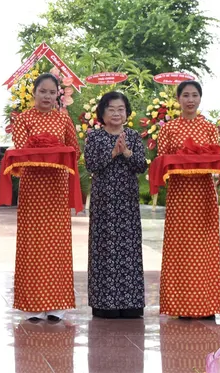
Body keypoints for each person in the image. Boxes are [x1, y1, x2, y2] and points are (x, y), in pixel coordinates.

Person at [9, 72, 80, 321]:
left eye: (52, 92)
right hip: (32, 188)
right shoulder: (23, 119)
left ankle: (57, 303)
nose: (47, 96)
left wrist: (57, 156)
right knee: (33, 244)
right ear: (34, 93)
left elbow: (74, 149)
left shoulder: (63, 118)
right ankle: (33, 304)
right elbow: (20, 149)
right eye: (43, 91)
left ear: (58, 94)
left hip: (56, 189)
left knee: (56, 244)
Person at [157, 80, 220, 319]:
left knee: (204, 247)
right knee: (180, 247)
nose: (190, 100)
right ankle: (181, 305)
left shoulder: (208, 127)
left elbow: (216, 157)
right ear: (178, 99)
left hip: (203, 193)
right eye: (185, 95)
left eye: (195, 95)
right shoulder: (168, 128)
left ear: (200, 98)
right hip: (179, 195)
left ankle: (206, 304)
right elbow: (161, 159)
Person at [83, 91, 146, 319]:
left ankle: (131, 304)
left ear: (127, 112)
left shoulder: (133, 136)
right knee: (104, 250)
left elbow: (141, 166)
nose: (117, 113)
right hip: (104, 204)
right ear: (102, 112)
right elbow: (91, 165)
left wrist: (127, 152)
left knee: (128, 251)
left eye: (121, 109)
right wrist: (112, 153)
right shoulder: (95, 137)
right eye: (111, 109)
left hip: (127, 203)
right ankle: (104, 304)